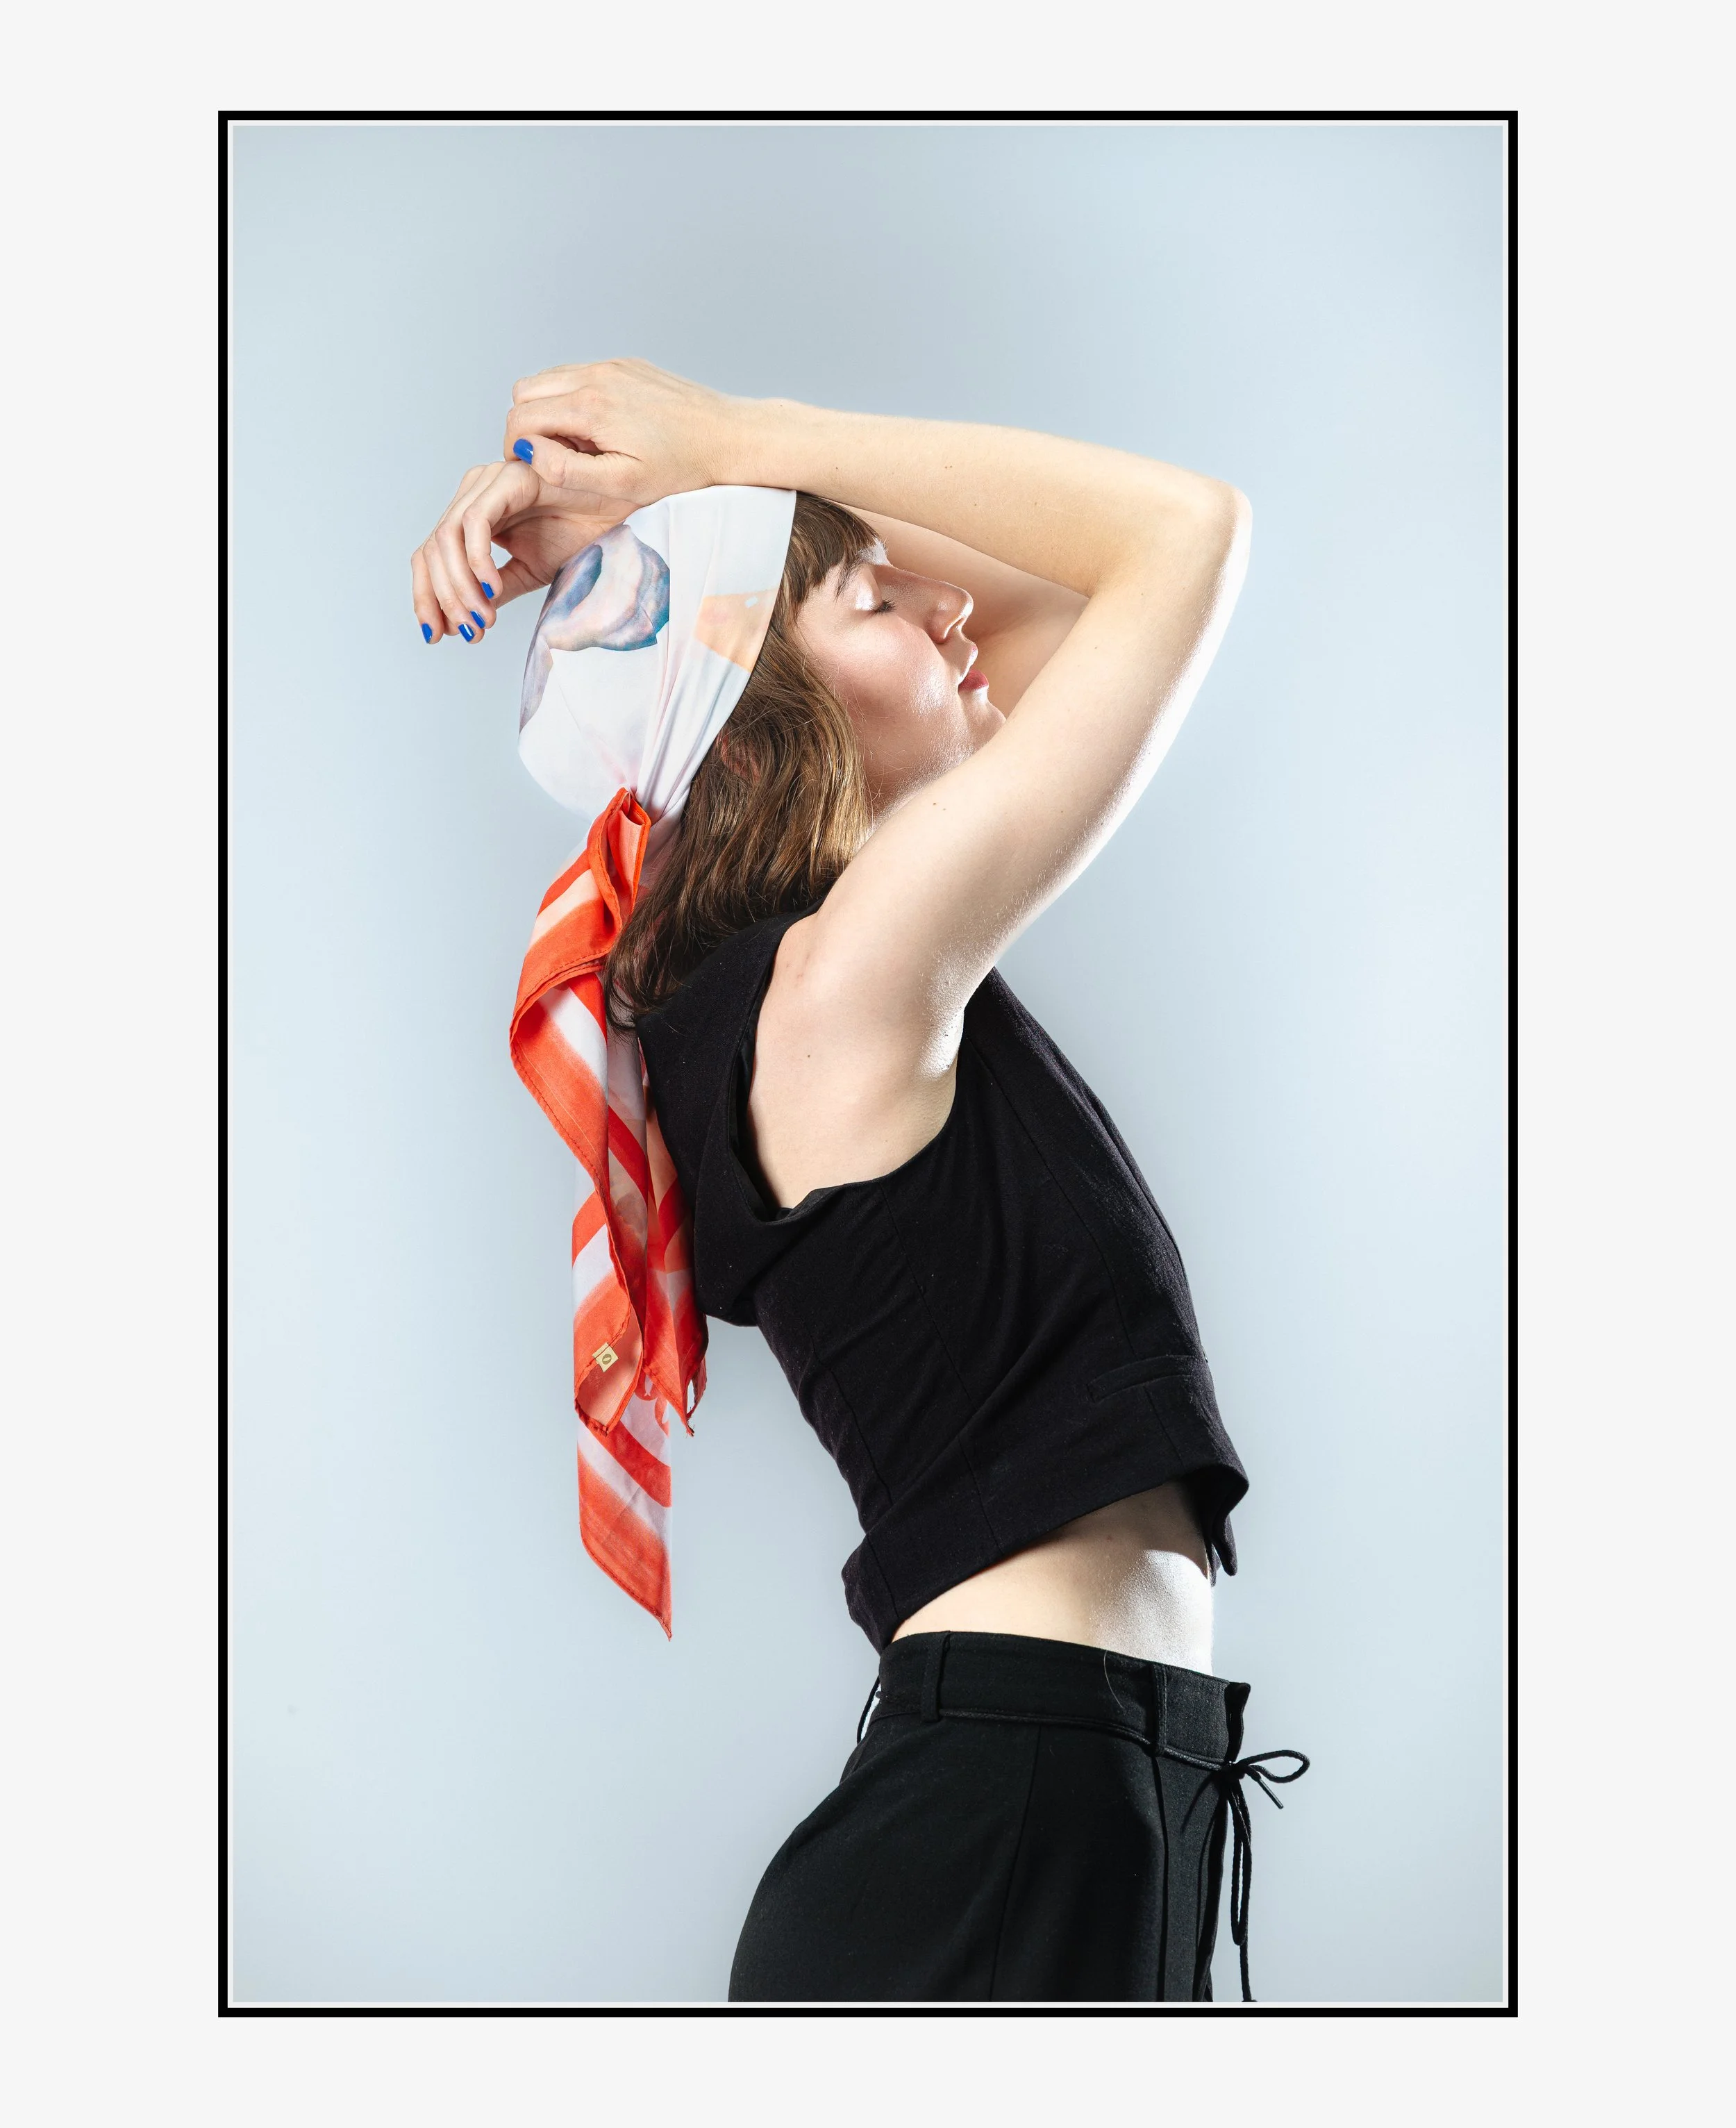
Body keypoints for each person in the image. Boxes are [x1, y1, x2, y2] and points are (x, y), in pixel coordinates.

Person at [411, 358, 1308, 2003]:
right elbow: (1177, 538)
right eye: (879, 601)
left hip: (1084, 1802)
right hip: (1006, 1811)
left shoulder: (825, 985)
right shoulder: (837, 991)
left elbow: (1046, 613)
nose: (956, 611)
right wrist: (725, 455)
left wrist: (673, 517)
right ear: (763, 729)